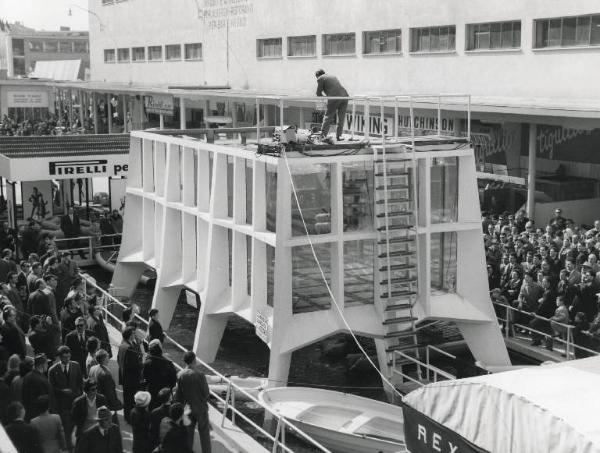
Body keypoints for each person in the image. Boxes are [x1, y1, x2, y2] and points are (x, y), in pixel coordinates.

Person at [175, 350, 211, 453]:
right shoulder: (200, 375)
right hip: (201, 409)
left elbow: (179, 396)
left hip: (187, 409)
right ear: (194, 360)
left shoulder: (180, 375)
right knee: (204, 434)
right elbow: (206, 393)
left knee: (189, 435)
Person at [48, 345, 82, 449]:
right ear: (59, 357)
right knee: (67, 427)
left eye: (69, 357)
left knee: (75, 425)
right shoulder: (53, 370)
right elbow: (51, 388)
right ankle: (69, 447)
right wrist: (62, 391)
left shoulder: (75, 365)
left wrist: (79, 396)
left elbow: (80, 383)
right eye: (65, 357)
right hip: (62, 405)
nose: (67, 359)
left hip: (75, 402)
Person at [142, 339, 177, 411]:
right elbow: (174, 379)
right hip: (165, 393)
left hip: (152, 392)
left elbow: (144, 377)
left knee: (152, 410)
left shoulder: (147, 363)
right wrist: (170, 388)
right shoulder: (168, 362)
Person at [315, 69, 348, 142]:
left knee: (328, 117)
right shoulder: (332, 76)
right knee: (341, 118)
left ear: (318, 75)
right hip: (345, 96)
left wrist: (324, 100)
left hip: (334, 97)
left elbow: (318, 93)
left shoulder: (320, 78)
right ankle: (339, 136)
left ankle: (323, 136)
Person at [117, 326, 142, 422]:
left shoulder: (122, 345)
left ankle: (127, 417)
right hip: (131, 379)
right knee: (131, 400)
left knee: (126, 398)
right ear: (129, 335)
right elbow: (134, 365)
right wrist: (142, 364)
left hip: (124, 377)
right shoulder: (130, 348)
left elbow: (119, 359)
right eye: (132, 333)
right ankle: (130, 418)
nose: (134, 335)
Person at [88, 349, 122, 414]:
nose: (108, 358)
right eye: (107, 356)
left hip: (96, 401)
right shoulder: (106, 374)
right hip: (105, 405)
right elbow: (110, 393)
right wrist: (117, 404)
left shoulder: (93, 368)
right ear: (104, 359)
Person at [22, 353, 52, 421]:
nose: (47, 365)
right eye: (46, 363)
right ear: (42, 364)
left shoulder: (27, 376)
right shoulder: (43, 380)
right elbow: (46, 401)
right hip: (40, 417)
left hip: (28, 414)